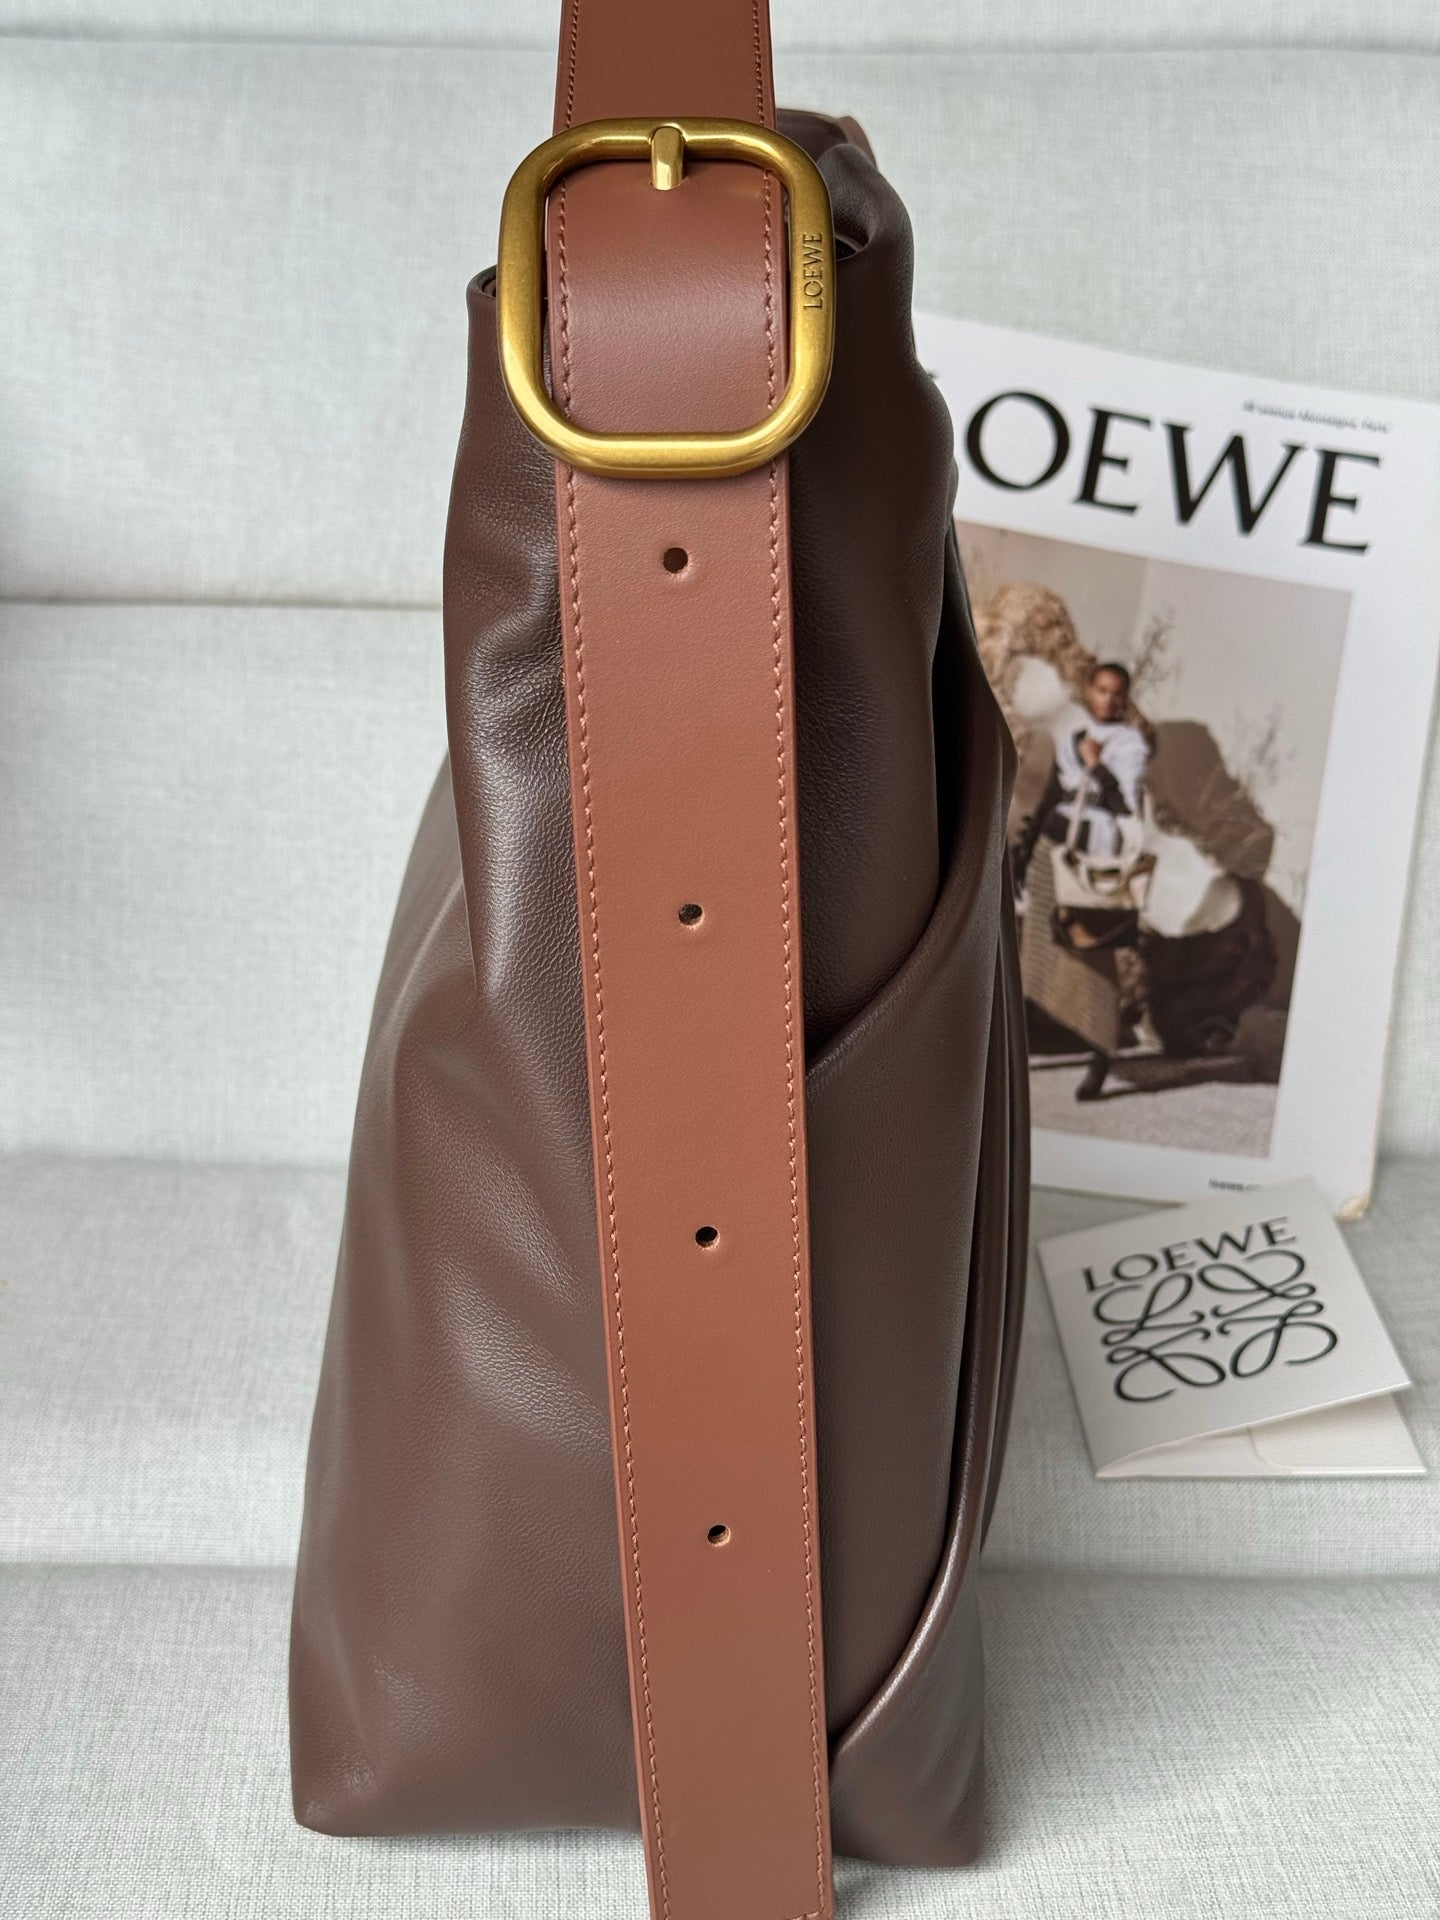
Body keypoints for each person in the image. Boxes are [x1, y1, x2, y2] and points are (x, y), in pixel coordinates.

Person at [1014, 661, 1152, 1102]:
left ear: (1125, 699)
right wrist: (1023, 856)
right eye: (1101, 689)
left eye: (1117, 692)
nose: (1108, 699)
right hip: (1051, 853)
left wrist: (1099, 767)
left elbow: (1124, 806)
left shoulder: (1131, 745)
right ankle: (1013, 1055)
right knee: (1035, 953)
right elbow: (1051, 797)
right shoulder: (1069, 735)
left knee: (1093, 958)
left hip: (1093, 859)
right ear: (1089, 691)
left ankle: (1100, 1056)